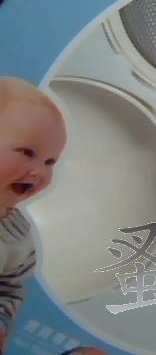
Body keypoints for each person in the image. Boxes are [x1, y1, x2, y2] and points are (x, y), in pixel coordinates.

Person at [0, 77, 67, 352]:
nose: (39, 171)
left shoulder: (17, 236)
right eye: (27, 153)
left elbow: (10, 288)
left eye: (50, 161)